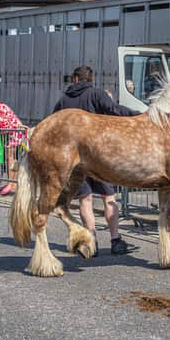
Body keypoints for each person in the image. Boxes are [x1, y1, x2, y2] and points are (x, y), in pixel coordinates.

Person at [53, 65, 140, 255]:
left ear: (75, 79)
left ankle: (92, 243)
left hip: (74, 160)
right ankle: (116, 240)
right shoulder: (95, 94)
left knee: (85, 200)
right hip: (97, 157)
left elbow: (53, 122)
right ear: (90, 79)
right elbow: (115, 110)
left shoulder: (64, 100)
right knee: (108, 197)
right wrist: (138, 115)